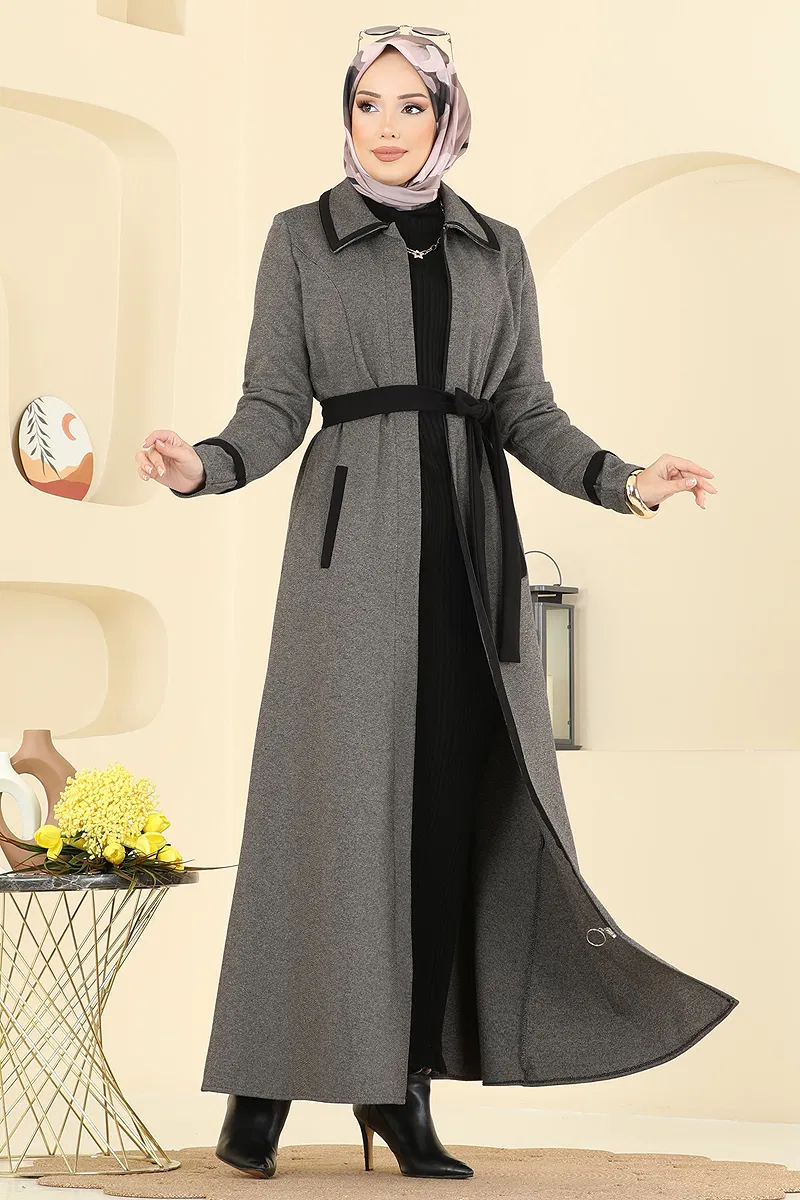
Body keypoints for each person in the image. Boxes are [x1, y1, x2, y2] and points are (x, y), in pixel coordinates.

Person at [135, 28, 732, 1183]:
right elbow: (272, 404)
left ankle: (398, 1090)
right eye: (368, 102)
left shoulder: (495, 250)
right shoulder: (299, 238)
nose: (387, 124)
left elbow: (526, 410)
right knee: (323, 823)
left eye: (411, 105)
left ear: (447, 119)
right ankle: (261, 1087)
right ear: (345, 114)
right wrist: (201, 465)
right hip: (347, 574)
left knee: (441, 827)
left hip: (467, 565)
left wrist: (624, 481)